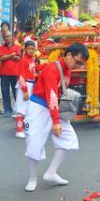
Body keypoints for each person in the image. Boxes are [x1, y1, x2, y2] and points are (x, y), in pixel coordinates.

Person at [24, 43, 89, 192]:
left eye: (81, 63)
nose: (78, 66)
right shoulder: (52, 69)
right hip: (38, 108)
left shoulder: (67, 70)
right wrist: (56, 122)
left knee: (69, 139)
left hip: (53, 108)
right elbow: (51, 95)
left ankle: (51, 172)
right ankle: (32, 178)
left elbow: (57, 95)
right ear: (68, 55)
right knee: (34, 143)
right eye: (77, 62)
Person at [15, 40, 38, 139]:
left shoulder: (32, 60)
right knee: (21, 108)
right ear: (24, 49)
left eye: (33, 49)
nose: (31, 51)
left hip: (31, 84)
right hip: (24, 85)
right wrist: (25, 90)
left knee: (28, 108)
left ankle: (25, 128)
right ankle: (19, 130)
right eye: (29, 49)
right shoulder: (23, 60)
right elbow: (21, 76)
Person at [0, 31, 21, 116]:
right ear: (3, 38)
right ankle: (7, 110)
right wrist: (12, 55)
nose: (7, 38)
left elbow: (18, 58)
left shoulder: (17, 47)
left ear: (11, 37)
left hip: (15, 73)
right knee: (5, 92)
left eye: (8, 36)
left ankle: (18, 109)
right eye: (5, 36)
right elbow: (1, 58)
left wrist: (7, 56)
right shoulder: (1, 48)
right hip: (4, 73)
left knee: (16, 92)